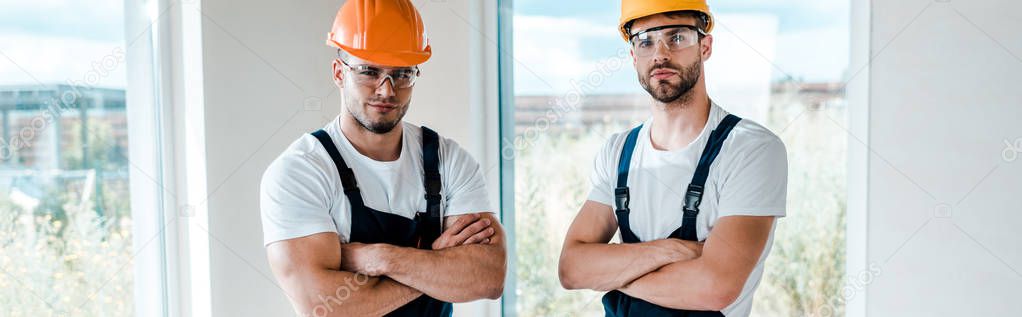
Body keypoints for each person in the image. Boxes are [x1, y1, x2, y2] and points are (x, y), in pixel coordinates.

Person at [260, 1, 505, 316]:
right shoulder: (300, 172)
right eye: (369, 72)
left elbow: (488, 277)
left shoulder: (449, 161)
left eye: (402, 74)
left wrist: (380, 258)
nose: (387, 90)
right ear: (338, 73)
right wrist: (435, 262)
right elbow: (324, 307)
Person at [558, 1, 788, 316]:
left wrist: (611, 273)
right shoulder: (617, 153)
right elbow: (572, 268)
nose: (660, 54)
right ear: (632, 55)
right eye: (645, 41)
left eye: (677, 37)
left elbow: (715, 287)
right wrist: (672, 251)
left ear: (705, 46)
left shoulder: (750, 150)